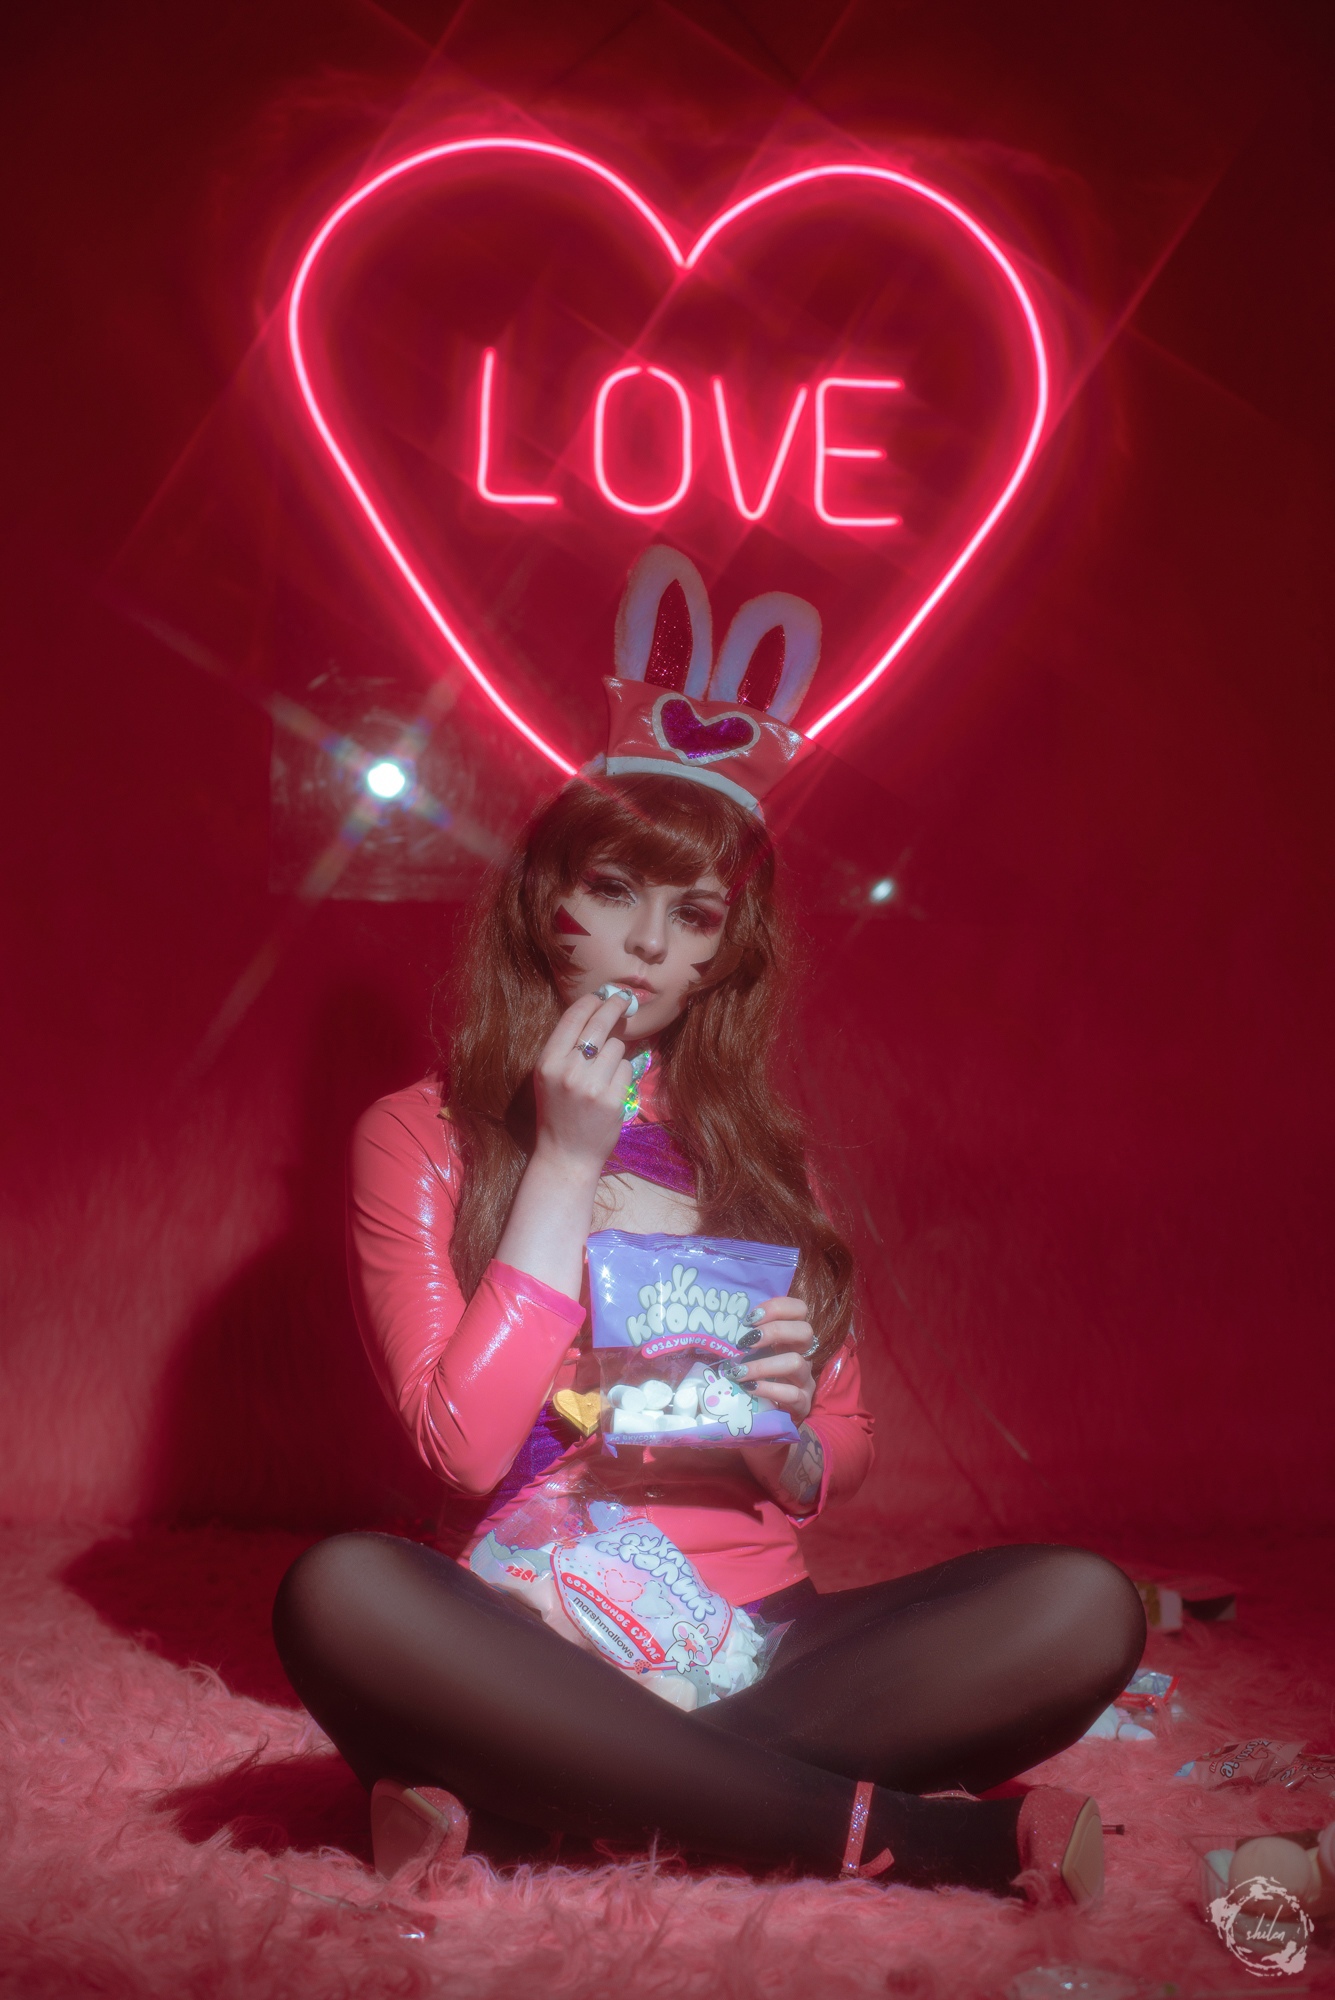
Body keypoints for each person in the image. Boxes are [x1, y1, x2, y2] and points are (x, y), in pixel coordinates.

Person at [273, 567, 1145, 1904]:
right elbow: (461, 1450)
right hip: (533, 1633)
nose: (644, 943)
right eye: (615, 888)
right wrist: (563, 1163)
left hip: (763, 1646)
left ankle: (546, 1798)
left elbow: (841, 1448)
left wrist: (781, 1435)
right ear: (545, 902)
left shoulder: (761, 1160)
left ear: (722, 957)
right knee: (341, 1592)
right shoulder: (420, 1133)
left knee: (1081, 1605)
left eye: (691, 916)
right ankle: (894, 1836)